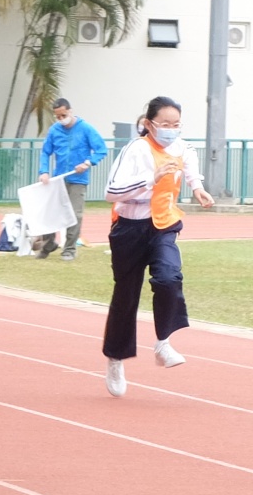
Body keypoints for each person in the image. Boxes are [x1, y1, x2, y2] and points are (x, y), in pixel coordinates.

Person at [100, 95, 214, 396]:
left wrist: (198, 188)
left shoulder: (182, 148)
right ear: (149, 124)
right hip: (129, 227)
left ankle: (163, 342)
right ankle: (116, 357)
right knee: (126, 296)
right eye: (165, 124)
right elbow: (111, 192)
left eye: (176, 125)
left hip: (163, 224)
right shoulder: (135, 150)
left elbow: (190, 167)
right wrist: (150, 179)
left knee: (168, 277)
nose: (171, 130)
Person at [36, 97, 105, 260]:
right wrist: (44, 171)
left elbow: (101, 149)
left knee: (74, 214)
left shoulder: (86, 128)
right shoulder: (54, 130)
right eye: (58, 116)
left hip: (78, 179)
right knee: (50, 212)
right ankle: (49, 243)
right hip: (58, 178)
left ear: (70, 111)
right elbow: (45, 152)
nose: (61, 119)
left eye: (63, 115)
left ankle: (69, 249)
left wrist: (88, 163)